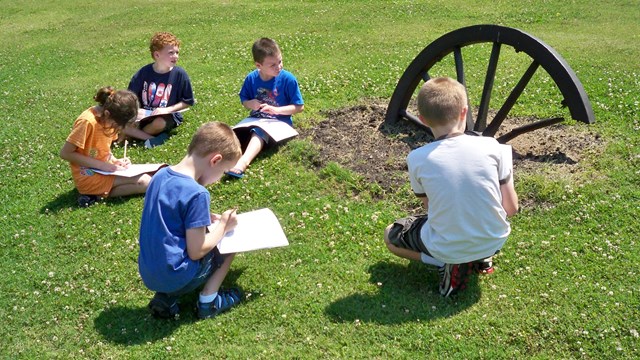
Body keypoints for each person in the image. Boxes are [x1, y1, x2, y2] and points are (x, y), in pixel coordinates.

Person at [383, 77, 519, 297]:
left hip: (446, 244)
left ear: (422, 119)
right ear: (464, 112)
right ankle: (481, 258)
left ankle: (443, 262)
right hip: (494, 238)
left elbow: (431, 209)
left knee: (391, 235)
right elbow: (511, 208)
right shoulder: (493, 147)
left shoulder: (417, 158)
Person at [138, 122, 244, 320]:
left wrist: (204, 217)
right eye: (223, 171)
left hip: (149, 272)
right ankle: (209, 301)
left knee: (196, 244)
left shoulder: (160, 175)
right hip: (176, 274)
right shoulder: (197, 194)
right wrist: (223, 226)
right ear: (215, 160)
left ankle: (167, 298)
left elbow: (171, 215)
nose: (219, 178)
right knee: (229, 241)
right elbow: (196, 252)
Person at [60, 86, 153, 207]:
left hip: (104, 170)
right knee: (146, 182)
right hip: (88, 175)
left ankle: (96, 193)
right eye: (116, 126)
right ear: (108, 114)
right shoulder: (87, 122)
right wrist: (103, 166)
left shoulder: (107, 119)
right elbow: (65, 153)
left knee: (150, 178)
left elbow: (103, 150)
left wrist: (115, 161)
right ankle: (92, 194)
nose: (117, 130)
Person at [226, 37, 304, 178]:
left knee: (258, 133)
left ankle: (243, 162)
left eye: (280, 61)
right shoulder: (251, 79)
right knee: (230, 134)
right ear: (258, 65)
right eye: (272, 65)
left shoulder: (288, 79)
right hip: (255, 119)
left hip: (279, 123)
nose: (278, 67)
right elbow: (244, 100)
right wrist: (251, 104)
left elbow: (299, 107)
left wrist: (276, 110)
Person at [126, 31, 195, 148]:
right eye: (171, 53)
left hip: (166, 115)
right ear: (157, 55)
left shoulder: (179, 74)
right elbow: (131, 97)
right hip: (144, 114)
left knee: (159, 123)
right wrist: (135, 113)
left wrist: (167, 110)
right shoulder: (144, 73)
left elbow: (187, 101)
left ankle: (133, 134)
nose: (176, 56)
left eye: (177, 52)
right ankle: (151, 138)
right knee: (120, 121)